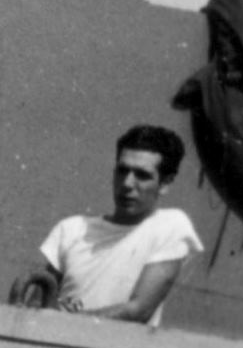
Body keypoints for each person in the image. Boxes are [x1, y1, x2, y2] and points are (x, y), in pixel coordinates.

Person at [39, 125, 203, 323]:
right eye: (122, 170)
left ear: (165, 183)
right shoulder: (71, 229)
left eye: (142, 175)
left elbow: (138, 311)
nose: (127, 183)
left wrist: (63, 323)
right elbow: (37, 302)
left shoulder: (170, 225)